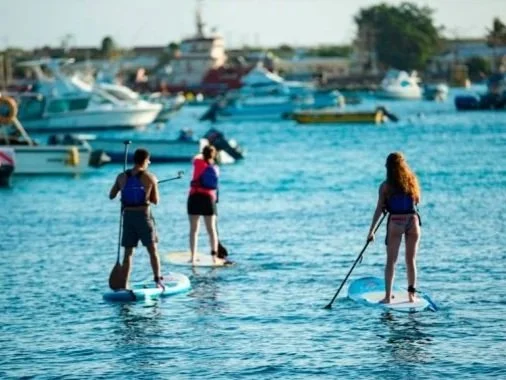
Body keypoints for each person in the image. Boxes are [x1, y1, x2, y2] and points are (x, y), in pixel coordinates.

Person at [367, 152, 421, 304]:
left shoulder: (385, 186)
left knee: (391, 261)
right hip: (413, 221)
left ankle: (387, 297)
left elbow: (379, 209)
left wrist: (371, 231)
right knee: (411, 260)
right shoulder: (412, 181)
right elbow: (417, 201)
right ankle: (411, 296)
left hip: (396, 222)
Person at [109, 148, 165, 289]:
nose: (149, 163)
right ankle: (158, 281)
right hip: (144, 217)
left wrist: (122, 188)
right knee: (152, 250)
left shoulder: (121, 176)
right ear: (145, 161)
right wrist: (154, 185)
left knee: (128, 254)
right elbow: (155, 201)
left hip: (128, 218)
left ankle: (124, 285)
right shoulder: (150, 177)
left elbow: (111, 195)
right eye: (148, 161)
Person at [187, 145, 227, 265]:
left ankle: (193, 257)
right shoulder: (215, 167)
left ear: (203, 153)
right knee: (212, 230)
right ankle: (214, 257)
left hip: (194, 197)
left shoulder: (198, 163)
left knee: (194, 229)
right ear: (213, 155)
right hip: (208, 199)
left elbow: (194, 158)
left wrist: (201, 154)